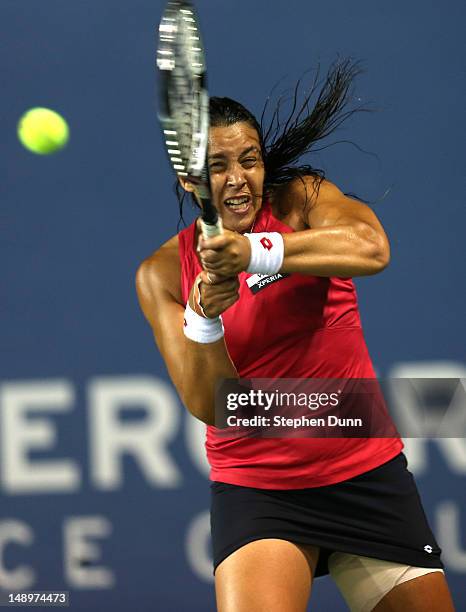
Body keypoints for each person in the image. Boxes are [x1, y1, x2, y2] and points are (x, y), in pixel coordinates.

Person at [136, 61, 455, 612]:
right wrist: (204, 319)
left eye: (249, 160)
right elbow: (216, 406)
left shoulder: (299, 200)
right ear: (189, 181)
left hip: (363, 469)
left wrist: (257, 252)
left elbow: (371, 248)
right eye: (216, 167)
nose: (238, 179)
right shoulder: (162, 273)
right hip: (259, 488)